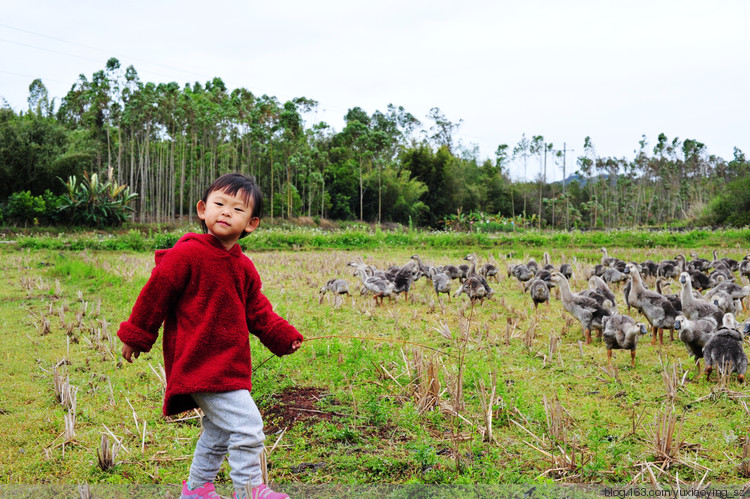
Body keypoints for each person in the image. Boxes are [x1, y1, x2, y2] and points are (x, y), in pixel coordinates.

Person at [117, 173, 302, 499]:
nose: (226, 212)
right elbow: (154, 296)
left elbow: (258, 312)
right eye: (219, 204)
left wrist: (282, 336)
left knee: (218, 432)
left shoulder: (244, 267)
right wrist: (137, 334)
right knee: (248, 427)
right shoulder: (185, 255)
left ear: (252, 223)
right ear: (203, 209)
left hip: (229, 364)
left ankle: (198, 489)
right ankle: (249, 490)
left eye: (237, 209)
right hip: (199, 363)